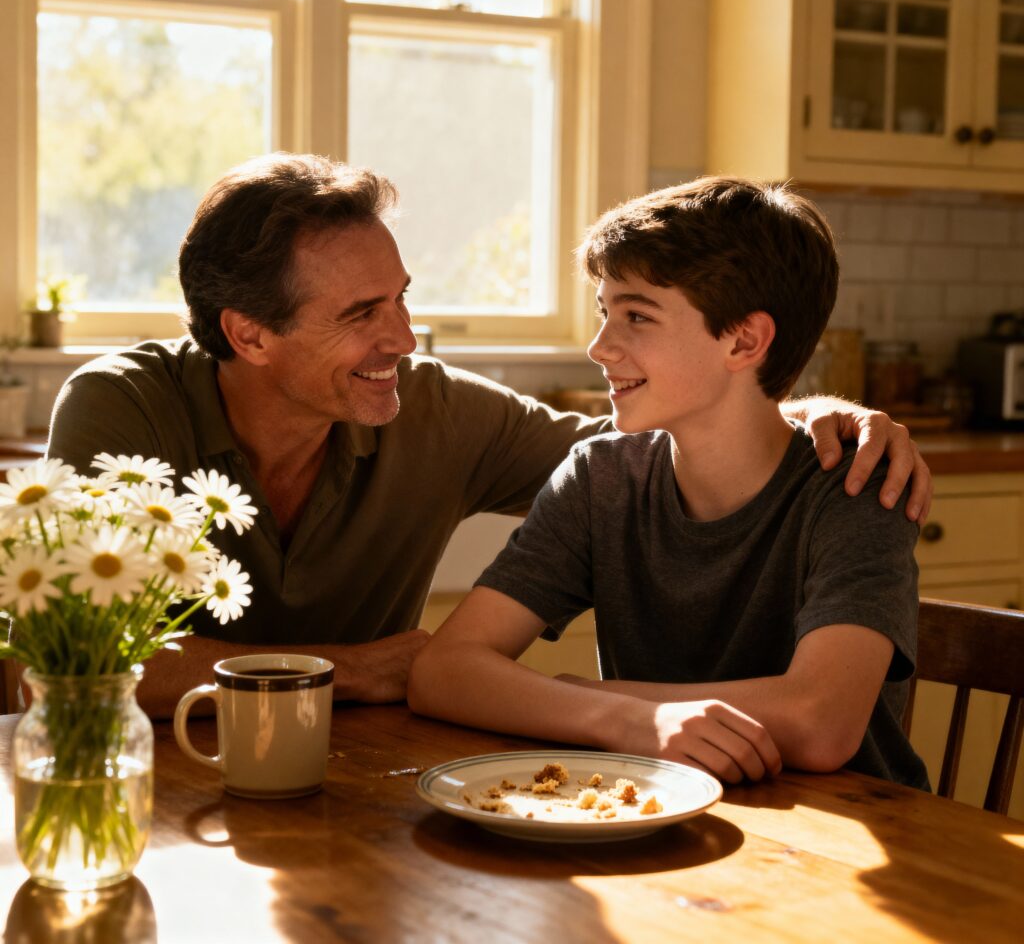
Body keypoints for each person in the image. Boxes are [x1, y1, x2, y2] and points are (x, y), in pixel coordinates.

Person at [47, 155, 931, 720]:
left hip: (364, 777)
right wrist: (353, 671)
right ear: (249, 335)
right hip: (160, 768)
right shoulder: (123, 410)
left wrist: (809, 410)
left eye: (402, 297)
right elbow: (57, 666)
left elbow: (676, 434)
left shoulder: (435, 409)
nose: (401, 338)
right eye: (363, 313)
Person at [407, 176, 930, 789]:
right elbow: (442, 673)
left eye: (636, 316)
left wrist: (582, 697)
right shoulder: (601, 476)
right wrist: (631, 721)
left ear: (744, 340)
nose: (600, 347)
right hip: (664, 814)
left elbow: (819, 723)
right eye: (605, 312)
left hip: (844, 835)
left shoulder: (856, 487)